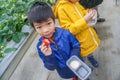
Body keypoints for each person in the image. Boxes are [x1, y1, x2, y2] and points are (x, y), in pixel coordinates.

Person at [28, 2, 87, 80]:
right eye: (39, 27)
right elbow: (51, 67)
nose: (45, 30)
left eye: (49, 23)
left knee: (83, 74)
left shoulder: (65, 34)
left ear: (54, 21)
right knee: (73, 76)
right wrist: (48, 56)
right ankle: (74, 77)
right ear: (35, 29)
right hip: (64, 70)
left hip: (76, 63)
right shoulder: (41, 47)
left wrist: (74, 56)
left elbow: (76, 45)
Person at [53, 0, 100, 68]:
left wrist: (89, 13)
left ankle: (90, 58)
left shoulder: (77, 2)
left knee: (90, 51)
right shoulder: (61, 9)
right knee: (82, 59)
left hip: (88, 37)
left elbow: (83, 12)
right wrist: (84, 20)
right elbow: (68, 31)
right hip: (80, 43)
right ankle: (84, 68)